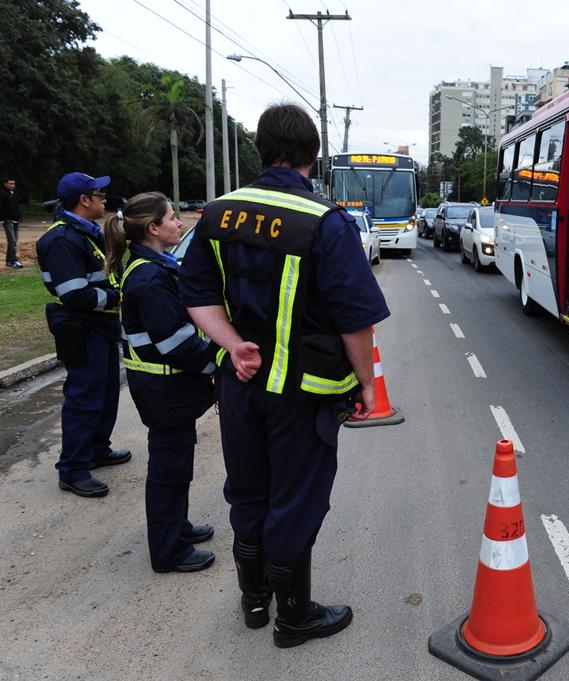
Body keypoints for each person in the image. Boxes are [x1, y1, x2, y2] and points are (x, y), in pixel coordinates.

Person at [180, 103, 389, 647]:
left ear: (259, 149)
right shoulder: (326, 221)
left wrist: (234, 347)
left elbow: (197, 297)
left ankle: (254, 600)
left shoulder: (216, 214)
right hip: (304, 395)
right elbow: (354, 320)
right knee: (296, 500)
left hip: (240, 385)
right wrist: (367, 384)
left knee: (248, 492)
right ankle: (294, 617)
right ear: (313, 155)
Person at [103, 192, 220, 573]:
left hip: (166, 391)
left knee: (175, 464)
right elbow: (175, 343)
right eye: (172, 218)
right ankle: (169, 551)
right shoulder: (150, 277)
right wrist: (215, 364)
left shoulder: (149, 265)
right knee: (169, 470)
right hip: (166, 391)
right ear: (153, 228)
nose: (179, 223)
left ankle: (178, 528)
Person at [37, 172, 131, 498]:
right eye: (99, 194)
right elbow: (75, 295)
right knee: (84, 399)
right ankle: (73, 469)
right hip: (83, 327)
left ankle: (96, 449)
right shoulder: (62, 240)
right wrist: (120, 298)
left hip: (101, 326)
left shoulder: (87, 233)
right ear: (84, 200)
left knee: (106, 392)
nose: (105, 199)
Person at [1, 177, 24, 268]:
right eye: (10, 183)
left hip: (16, 220)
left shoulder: (14, 194)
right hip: (8, 220)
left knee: (14, 241)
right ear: (5, 184)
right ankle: (12, 261)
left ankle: (10, 260)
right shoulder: (2, 194)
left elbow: (16, 207)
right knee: (12, 241)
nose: (12, 185)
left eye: (13, 184)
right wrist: (3, 218)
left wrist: (19, 217)